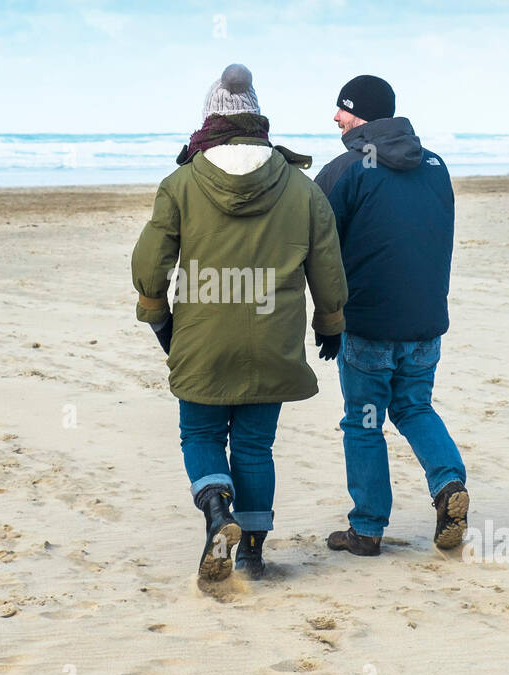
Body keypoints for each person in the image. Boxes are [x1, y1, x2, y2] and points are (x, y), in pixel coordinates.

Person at [132, 64, 348, 581]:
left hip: (202, 340)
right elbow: (328, 264)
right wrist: (331, 320)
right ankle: (250, 550)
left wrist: (157, 315)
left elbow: (148, 266)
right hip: (273, 340)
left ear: (210, 119)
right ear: (257, 120)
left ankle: (215, 512)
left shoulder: (181, 184)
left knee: (200, 434)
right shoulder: (300, 188)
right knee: (254, 446)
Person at [313, 75, 468, 556]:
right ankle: (448, 486)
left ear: (359, 114)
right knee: (414, 407)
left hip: (368, 328)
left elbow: (317, 249)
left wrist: (328, 318)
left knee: (363, 422)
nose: (334, 117)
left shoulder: (346, 169)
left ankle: (367, 528)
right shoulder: (435, 166)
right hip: (424, 324)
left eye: (341, 109)